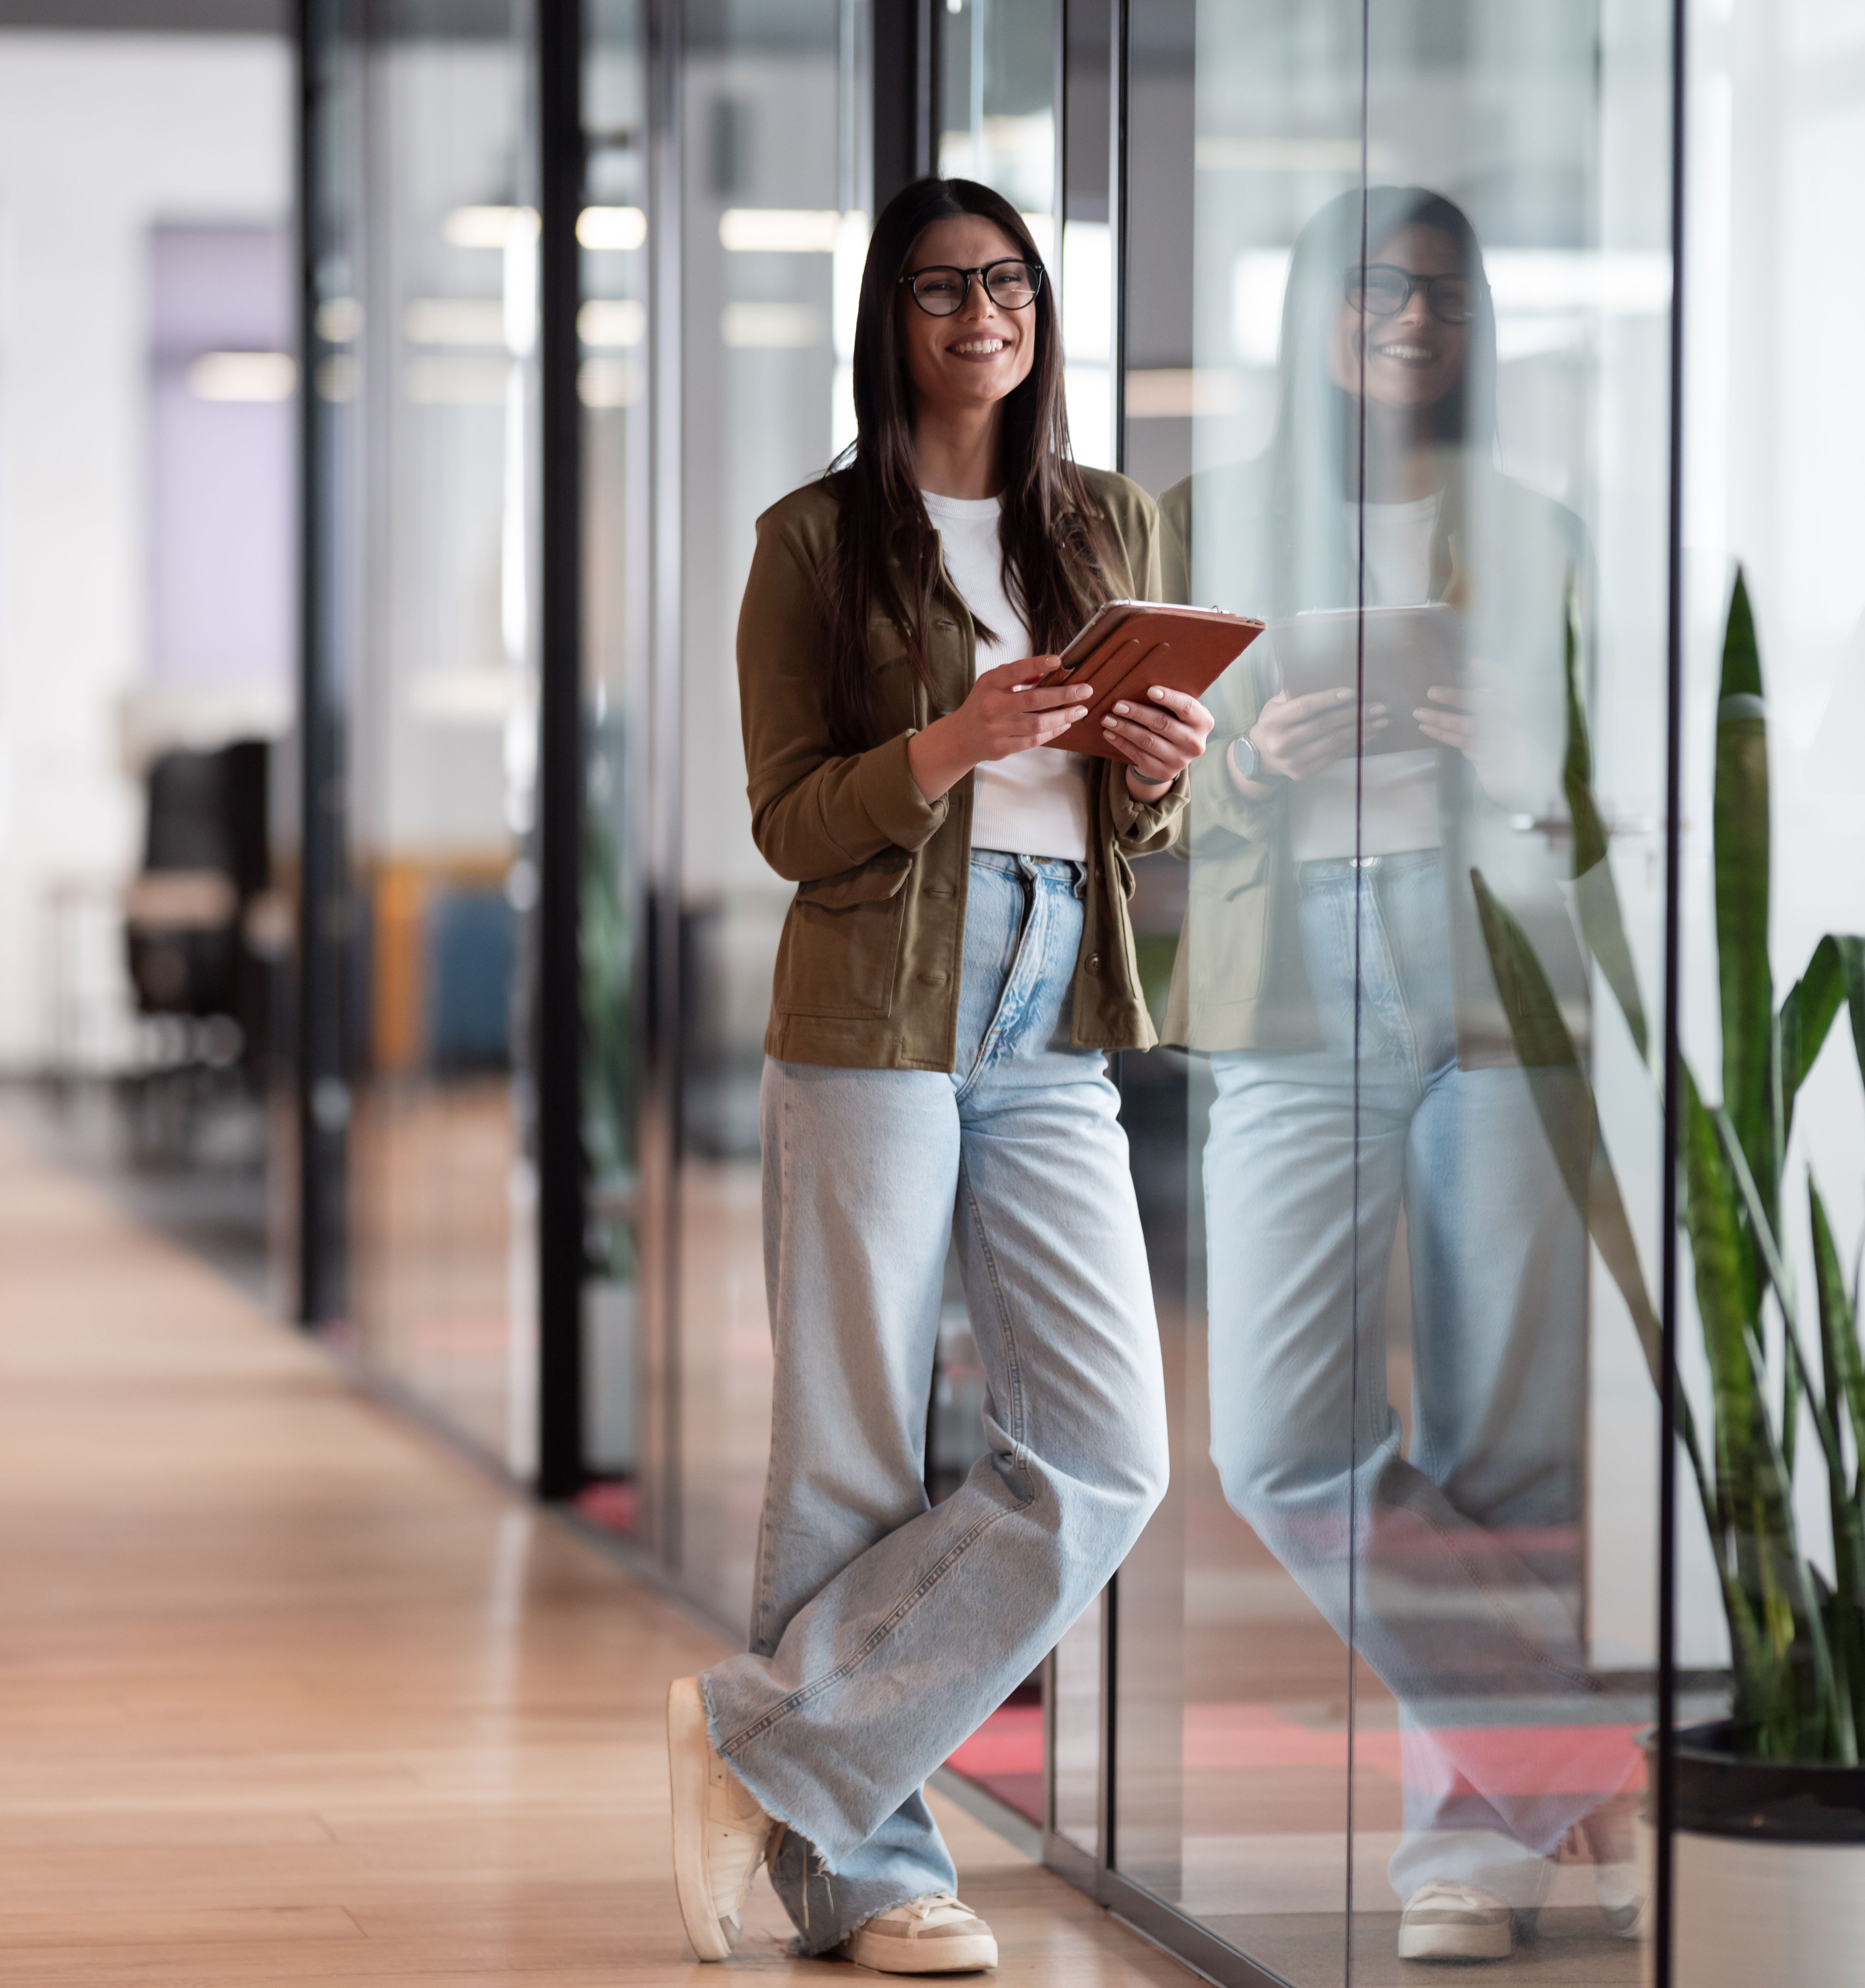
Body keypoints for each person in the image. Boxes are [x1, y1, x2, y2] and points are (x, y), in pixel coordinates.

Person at [665, 175, 1210, 1976]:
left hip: (1058, 1005)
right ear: (886, 321)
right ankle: (871, 1874)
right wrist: (953, 742)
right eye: (941, 288)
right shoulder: (814, 542)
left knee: (1107, 1451)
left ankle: (761, 1738)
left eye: (1010, 283)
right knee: (852, 1451)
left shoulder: (1108, 521)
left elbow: (1139, 821)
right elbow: (788, 821)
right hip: (874, 1007)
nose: (984, 315)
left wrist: (1160, 765)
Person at [1159, 185, 1640, 1964]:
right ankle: (1587, 1759)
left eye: (1445, 293)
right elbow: (1124, 796)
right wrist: (1245, 766)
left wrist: (1529, 764)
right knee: (1281, 1444)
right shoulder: (1202, 522)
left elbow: (1617, 791)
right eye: (1377, 287)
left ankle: (1472, 1853)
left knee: (1506, 1434)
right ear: (1314, 310)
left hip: (1501, 971)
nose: (1413, 317)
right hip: (1293, 984)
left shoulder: (1541, 532)